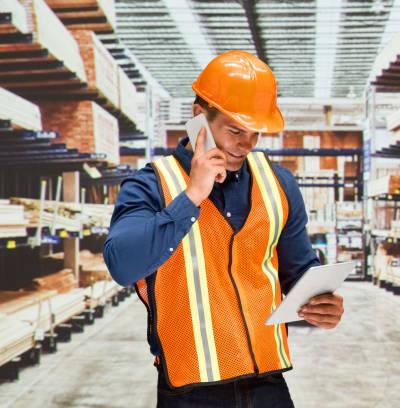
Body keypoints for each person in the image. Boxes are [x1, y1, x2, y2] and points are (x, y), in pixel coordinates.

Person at [103, 50, 345, 408]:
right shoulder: (152, 185)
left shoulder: (278, 183)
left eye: (255, 133)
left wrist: (322, 304)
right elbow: (122, 266)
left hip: (269, 385)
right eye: (235, 130)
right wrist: (192, 196)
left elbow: (298, 272)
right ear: (199, 116)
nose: (246, 144)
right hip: (189, 391)